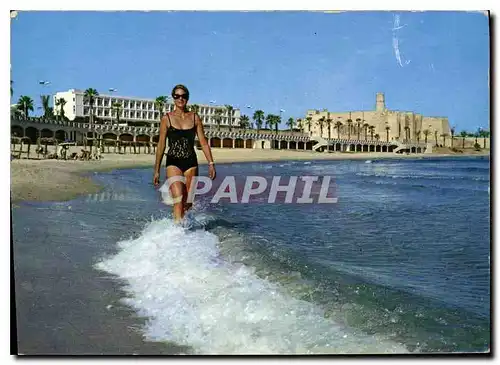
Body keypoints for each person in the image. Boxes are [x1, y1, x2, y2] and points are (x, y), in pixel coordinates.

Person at [153, 84, 216, 223]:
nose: (180, 99)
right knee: (178, 199)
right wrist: (156, 170)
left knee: (188, 202)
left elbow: (203, 142)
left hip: (191, 163)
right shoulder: (166, 119)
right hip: (173, 162)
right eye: (177, 96)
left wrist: (211, 163)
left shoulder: (194, 118)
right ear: (173, 98)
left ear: (187, 98)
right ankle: (177, 234)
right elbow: (161, 144)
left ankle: (185, 226)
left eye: (183, 96)